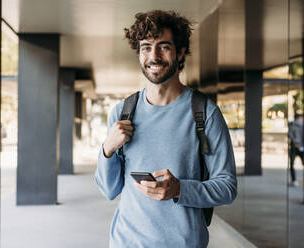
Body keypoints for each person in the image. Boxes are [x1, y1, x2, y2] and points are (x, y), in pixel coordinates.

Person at [94, 10, 237, 247]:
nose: (154, 55)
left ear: (181, 52)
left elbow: (227, 187)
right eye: (146, 47)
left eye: (164, 46)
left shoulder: (205, 113)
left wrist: (180, 189)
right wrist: (107, 149)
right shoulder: (122, 112)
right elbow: (109, 190)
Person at [288, 113, 304, 187]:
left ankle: (294, 180)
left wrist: (295, 142)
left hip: (295, 146)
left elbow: (290, 135)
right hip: (300, 147)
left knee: (292, 164)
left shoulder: (292, 125)